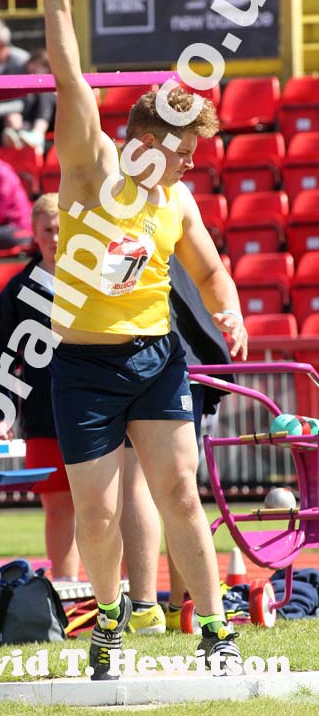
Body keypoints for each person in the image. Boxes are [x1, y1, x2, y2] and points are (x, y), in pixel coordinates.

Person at [27, 0, 248, 680]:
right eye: (185, 151)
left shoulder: (177, 198)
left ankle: (216, 629)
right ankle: (110, 623)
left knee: (179, 491)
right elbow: (69, 80)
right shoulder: (90, 171)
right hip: (83, 366)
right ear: (149, 142)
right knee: (96, 514)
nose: (192, 163)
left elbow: (209, 268)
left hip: (154, 359)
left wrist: (230, 311)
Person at [122, 255, 233, 635]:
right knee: (175, 486)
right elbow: (212, 272)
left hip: (140, 351)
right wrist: (230, 312)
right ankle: (172, 605)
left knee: (151, 483)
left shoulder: (125, 208)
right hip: (168, 349)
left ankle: (151, 606)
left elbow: (210, 272)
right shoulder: (172, 205)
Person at [0, 193, 79, 582]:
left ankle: (114, 595)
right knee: (57, 509)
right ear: (35, 235)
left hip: (100, 413)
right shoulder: (20, 290)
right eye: (48, 230)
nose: (56, 237)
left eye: (62, 228)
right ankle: (67, 591)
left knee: (105, 508)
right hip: (43, 416)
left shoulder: (95, 280)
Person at [2, 49, 56, 153]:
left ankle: (37, 134)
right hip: (28, 122)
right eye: (33, 65)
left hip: (52, 121)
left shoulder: (53, 87)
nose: (35, 69)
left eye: (40, 66)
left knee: (44, 95)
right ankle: (18, 134)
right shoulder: (25, 86)